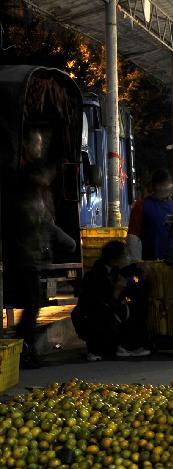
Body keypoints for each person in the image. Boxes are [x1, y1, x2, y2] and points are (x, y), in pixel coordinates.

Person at [3, 127, 77, 368]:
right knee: (32, 303)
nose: (39, 148)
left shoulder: (32, 189)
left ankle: (25, 349)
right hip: (25, 254)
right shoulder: (23, 187)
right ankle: (24, 351)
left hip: (29, 254)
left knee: (32, 303)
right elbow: (38, 224)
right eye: (36, 143)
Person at [71, 240, 151, 361]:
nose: (128, 258)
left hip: (104, 313)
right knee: (127, 308)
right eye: (125, 255)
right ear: (115, 258)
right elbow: (100, 307)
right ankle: (123, 345)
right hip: (94, 319)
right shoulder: (96, 276)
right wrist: (117, 291)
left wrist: (141, 270)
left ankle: (127, 344)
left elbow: (132, 272)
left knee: (135, 303)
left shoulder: (113, 270)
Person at [128, 169, 173, 261]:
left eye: (166, 184)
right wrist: (136, 262)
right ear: (154, 186)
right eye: (161, 185)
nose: (164, 188)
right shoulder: (141, 206)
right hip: (152, 261)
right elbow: (133, 235)